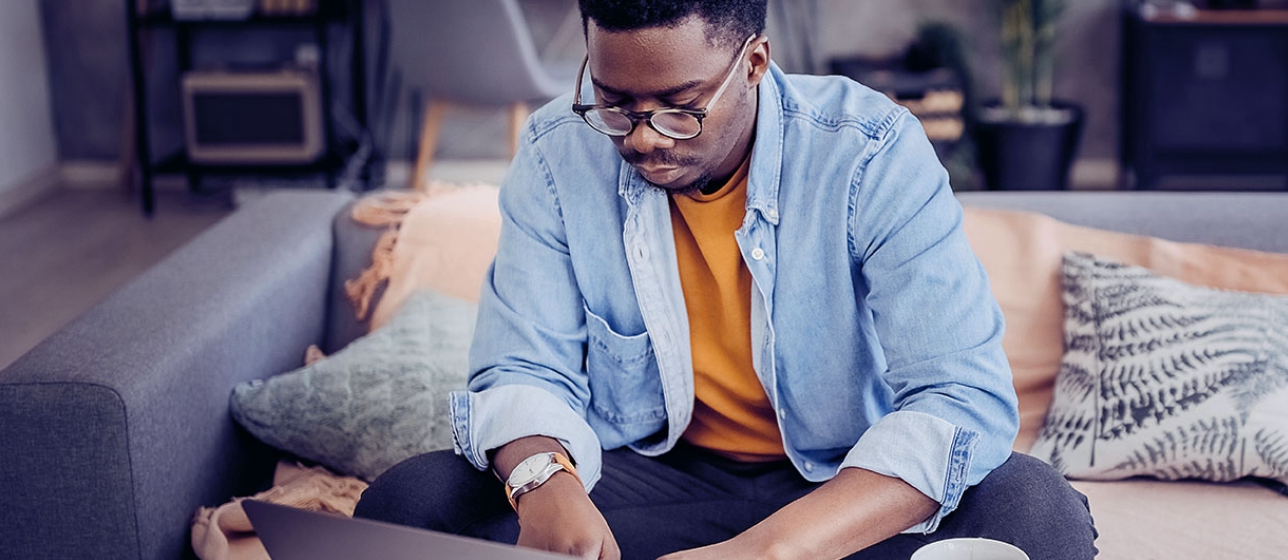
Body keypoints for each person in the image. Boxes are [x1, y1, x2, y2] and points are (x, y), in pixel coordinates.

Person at [352, 1, 1098, 559]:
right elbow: (522, 366)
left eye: (680, 110)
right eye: (614, 102)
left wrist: (763, 554)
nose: (642, 138)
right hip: (655, 479)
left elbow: (960, 398)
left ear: (753, 63)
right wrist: (544, 483)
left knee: (1035, 512)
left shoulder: (871, 155)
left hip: (842, 488)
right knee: (409, 501)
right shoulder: (557, 153)